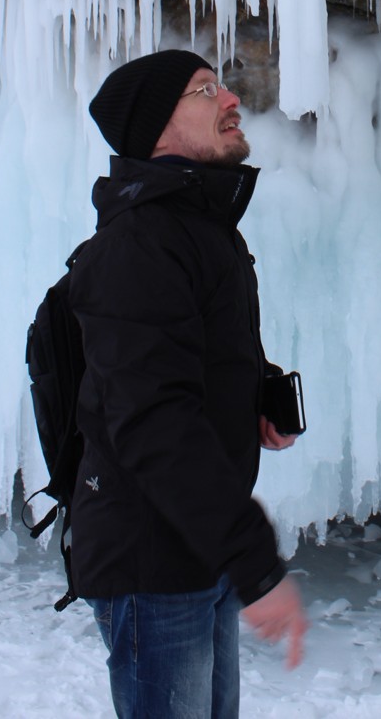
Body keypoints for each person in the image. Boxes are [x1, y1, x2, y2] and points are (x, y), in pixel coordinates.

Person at [69, 48, 307, 718]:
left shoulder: (198, 228)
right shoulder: (141, 242)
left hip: (194, 551)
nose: (230, 99)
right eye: (205, 91)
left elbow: (192, 357)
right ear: (156, 129)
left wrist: (256, 395)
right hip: (151, 562)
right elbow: (153, 422)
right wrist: (255, 564)